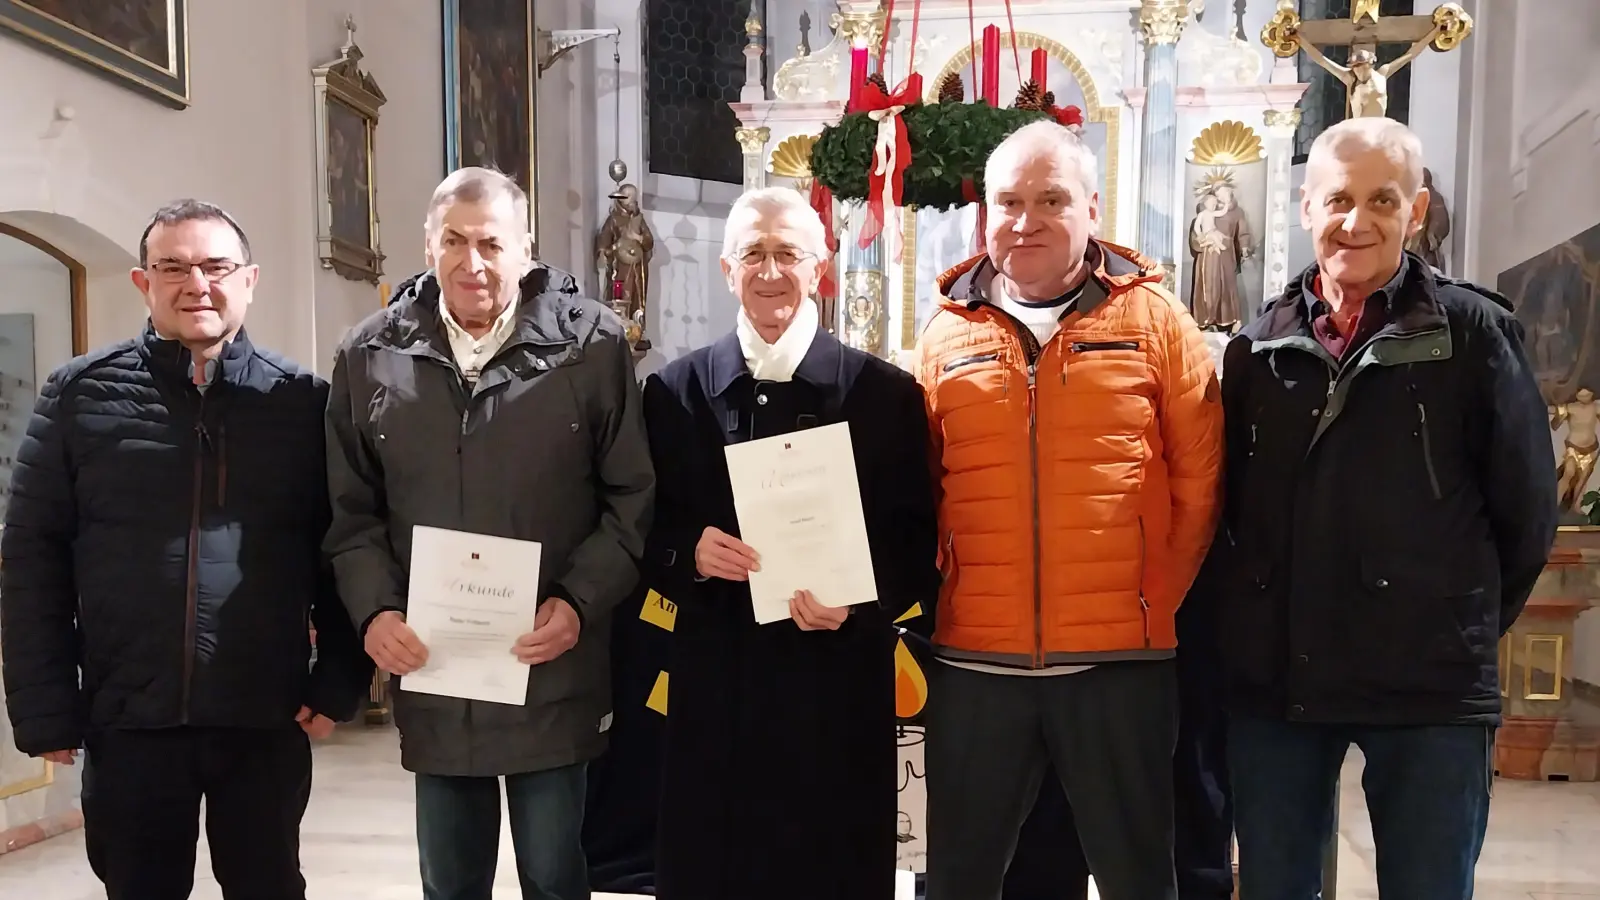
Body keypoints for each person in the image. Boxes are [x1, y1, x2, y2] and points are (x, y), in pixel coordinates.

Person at [1215, 117, 1558, 900]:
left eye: (1382, 199)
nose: (1355, 221)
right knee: (1274, 883)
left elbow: (1526, 512)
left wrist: (1450, 616)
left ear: (1417, 209)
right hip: (1281, 674)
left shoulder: (1470, 332)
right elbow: (1231, 507)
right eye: (1338, 198)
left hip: (1427, 678)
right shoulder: (1254, 347)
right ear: (1305, 207)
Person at [0, 200, 371, 900]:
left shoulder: (304, 403)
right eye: (173, 267)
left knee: (267, 885)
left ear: (250, 279)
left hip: (262, 713)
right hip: (129, 716)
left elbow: (342, 548)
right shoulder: (79, 395)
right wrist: (44, 703)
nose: (196, 282)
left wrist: (340, 681)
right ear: (144, 283)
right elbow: (33, 559)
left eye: (215, 265)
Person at [324, 166, 655, 900]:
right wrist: (375, 613)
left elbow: (631, 498)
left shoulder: (591, 347)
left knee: (554, 873)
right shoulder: (369, 353)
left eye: (491, 243)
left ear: (525, 250)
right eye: (454, 241)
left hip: (551, 663)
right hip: (437, 670)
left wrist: (577, 603)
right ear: (427, 245)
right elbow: (350, 512)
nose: (472, 262)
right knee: (449, 881)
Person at [914, 119, 1225, 900]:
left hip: (1119, 665)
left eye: (1050, 199)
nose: (1025, 221)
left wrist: (1150, 599)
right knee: (958, 877)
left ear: (1092, 207)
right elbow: (920, 489)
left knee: (1136, 877)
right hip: (975, 662)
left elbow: (1199, 482)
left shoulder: (1156, 322)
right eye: (1008, 201)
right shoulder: (946, 335)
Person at [643, 187, 938, 900]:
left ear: (820, 268)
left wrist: (858, 608)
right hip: (719, 683)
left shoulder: (885, 396)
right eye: (753, 253)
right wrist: (690, 553)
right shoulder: (673, 393)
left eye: (787, 254)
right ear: (725, 268)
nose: (769, 271)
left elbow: (914, 541)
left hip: (835, 686)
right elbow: (644, 527)